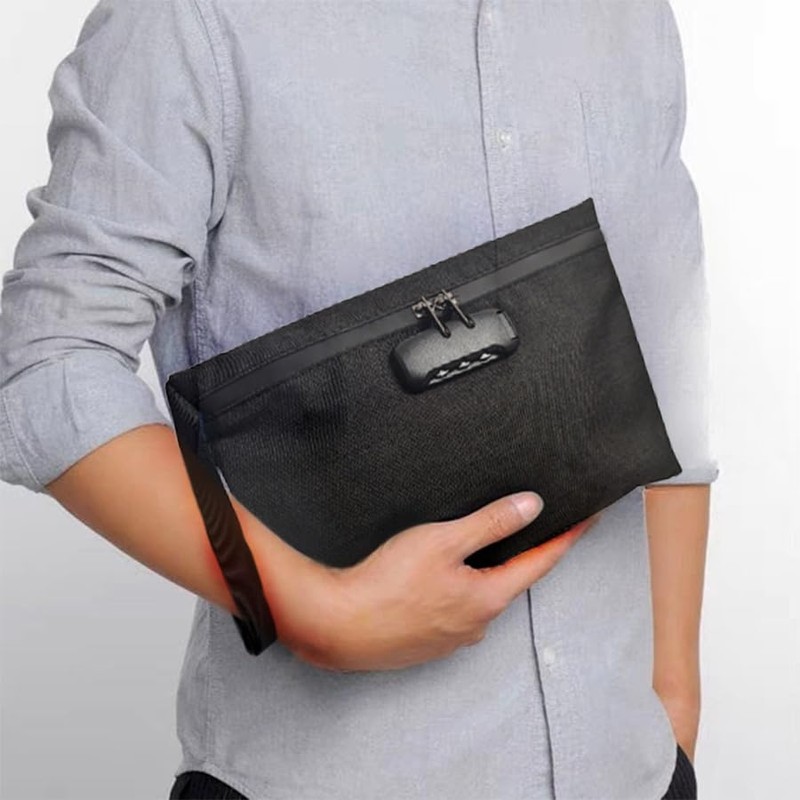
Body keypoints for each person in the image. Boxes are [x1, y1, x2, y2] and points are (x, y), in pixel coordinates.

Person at [0, 1, 717, 798]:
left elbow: (667, 344)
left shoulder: (627, 16)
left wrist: (676, 698)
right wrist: (314, 610)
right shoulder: (191, 20)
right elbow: (47, 361)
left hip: (632, 769)